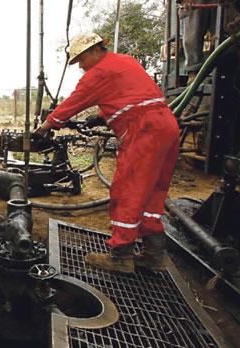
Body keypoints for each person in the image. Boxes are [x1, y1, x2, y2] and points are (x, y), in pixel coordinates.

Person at [34, 33, 180, 274]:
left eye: (81, 59)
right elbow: (130, 95)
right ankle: (154, 255)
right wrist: (100, 117)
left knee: (127, 190)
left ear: (94, 50)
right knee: (153, 192)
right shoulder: (126, 61)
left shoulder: (98, 72)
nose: (80, 66)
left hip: (143, 131)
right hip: (167, 126)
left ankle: (121, 256)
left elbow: (74, 101)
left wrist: (46, 126)